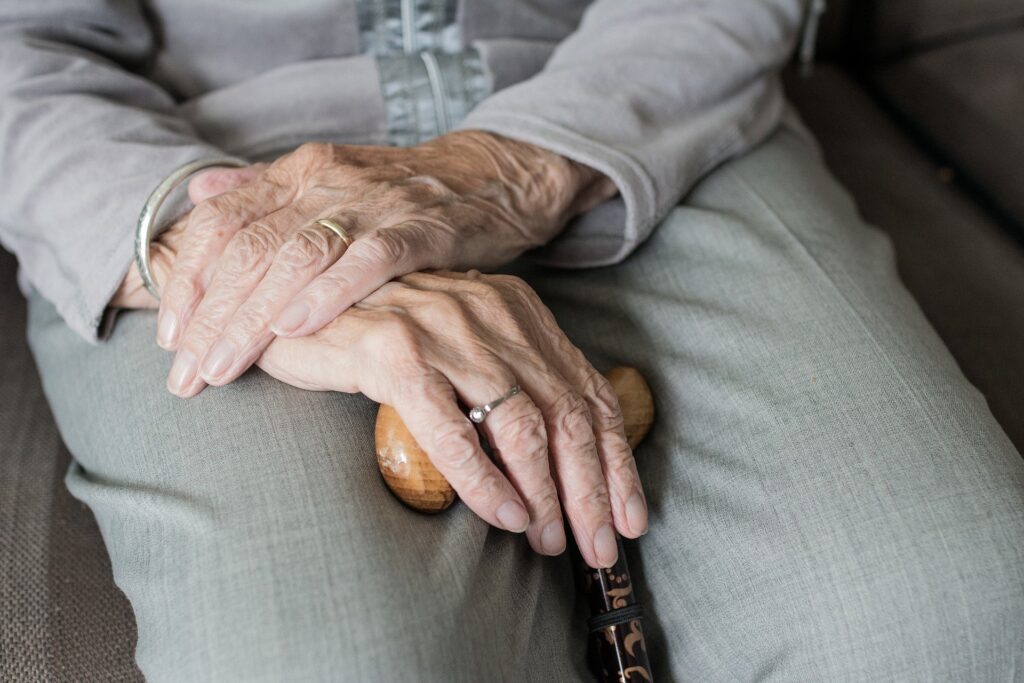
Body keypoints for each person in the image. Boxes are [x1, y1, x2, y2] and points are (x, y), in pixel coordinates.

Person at [3, 1, 1022, 680]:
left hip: (645, 108)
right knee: (322, 661)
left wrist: (506, 167)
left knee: (949, 612)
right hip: (192, 167)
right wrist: (233, 249)